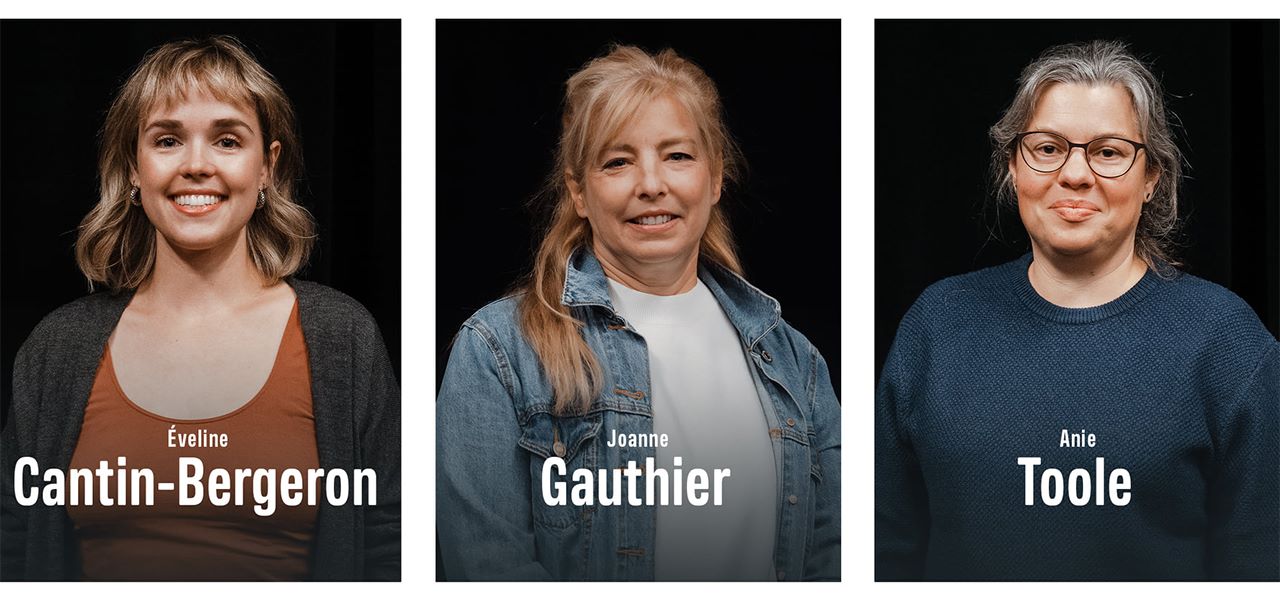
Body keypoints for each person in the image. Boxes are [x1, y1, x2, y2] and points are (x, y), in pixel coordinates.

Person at [875, 40, 1279, 581]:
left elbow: (1257, 566)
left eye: (1109, 152)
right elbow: (883, 555)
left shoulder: (1226, 344)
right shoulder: (938, 325)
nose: (1075, 174)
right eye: (1047, 148)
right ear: (1013, 167)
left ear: (1151, 177)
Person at [0, 36, 399, 581]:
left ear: (267, 168)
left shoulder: (342, 339)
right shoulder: (57, 350)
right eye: (167, 140)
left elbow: (385, 547)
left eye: (227, 141)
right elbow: (15, 547)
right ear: (134, 169)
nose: (196, 165)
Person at [436, 45, 840, 581]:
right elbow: (487, 569)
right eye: (618, 162)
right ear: (579, 190)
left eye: (677, 156)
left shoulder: (796, 363)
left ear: (716, 177)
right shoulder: (498, 351)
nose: (652, 185)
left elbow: (833, 559)